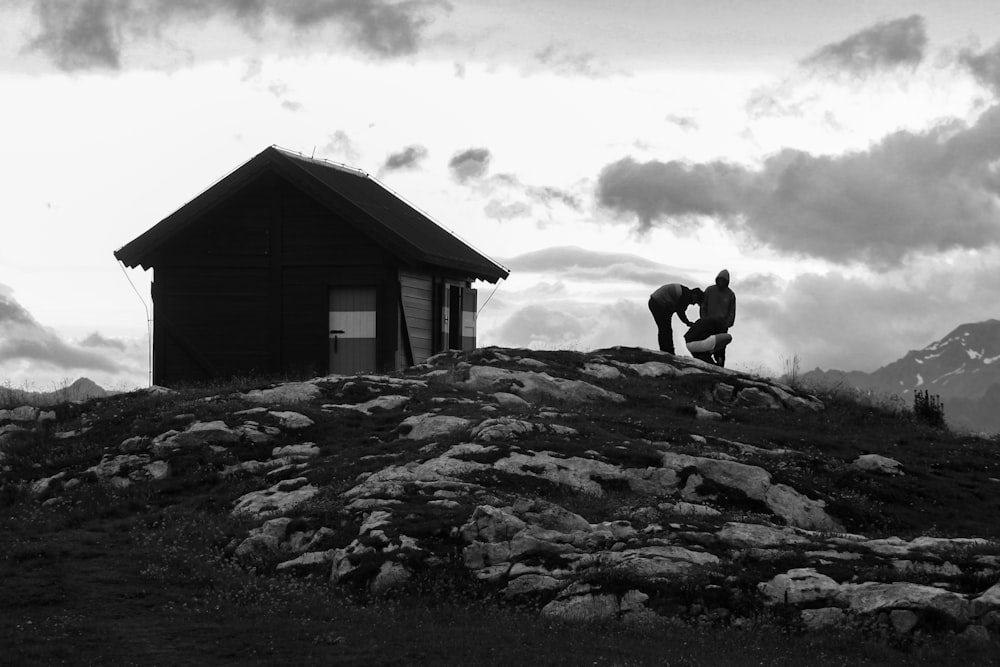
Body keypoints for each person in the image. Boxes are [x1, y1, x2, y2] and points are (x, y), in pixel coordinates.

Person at [647, 284, 704, 354]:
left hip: (656, 302)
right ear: (694, 296)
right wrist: (688, 323)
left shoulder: (685, 292)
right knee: (666, 329)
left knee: (663, 328)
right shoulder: (686, 296)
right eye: (696, 301)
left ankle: (664, 350)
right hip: (658, 303)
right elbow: (680, 312)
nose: (694, 304)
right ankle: (669, 352)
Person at [699, 269, 736, 366]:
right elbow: (703, 306)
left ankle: (720, 364)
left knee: (720, 347)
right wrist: (703, 319)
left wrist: (728, 323)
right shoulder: (709, 290)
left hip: (722, 325)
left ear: (727, 281)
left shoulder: (730, 294)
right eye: (720, 279)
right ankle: (706, 363)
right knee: (706, 343)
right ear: (717, 279)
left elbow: (732, 311)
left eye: (723, 280)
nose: (721, 282)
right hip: (708, 323)